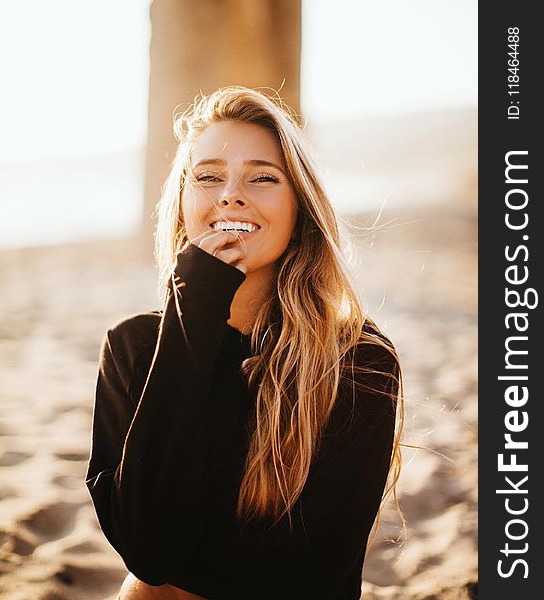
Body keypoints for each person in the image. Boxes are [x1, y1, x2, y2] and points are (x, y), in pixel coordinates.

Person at [85, 86, 403, 600]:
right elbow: (147, 549)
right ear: (183, 203)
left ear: (299, 209)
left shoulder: (358, 360)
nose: (230, 194)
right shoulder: (133, 348)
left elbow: (312, 573)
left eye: (262, 178)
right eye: (208, 176)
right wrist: (195, 310)